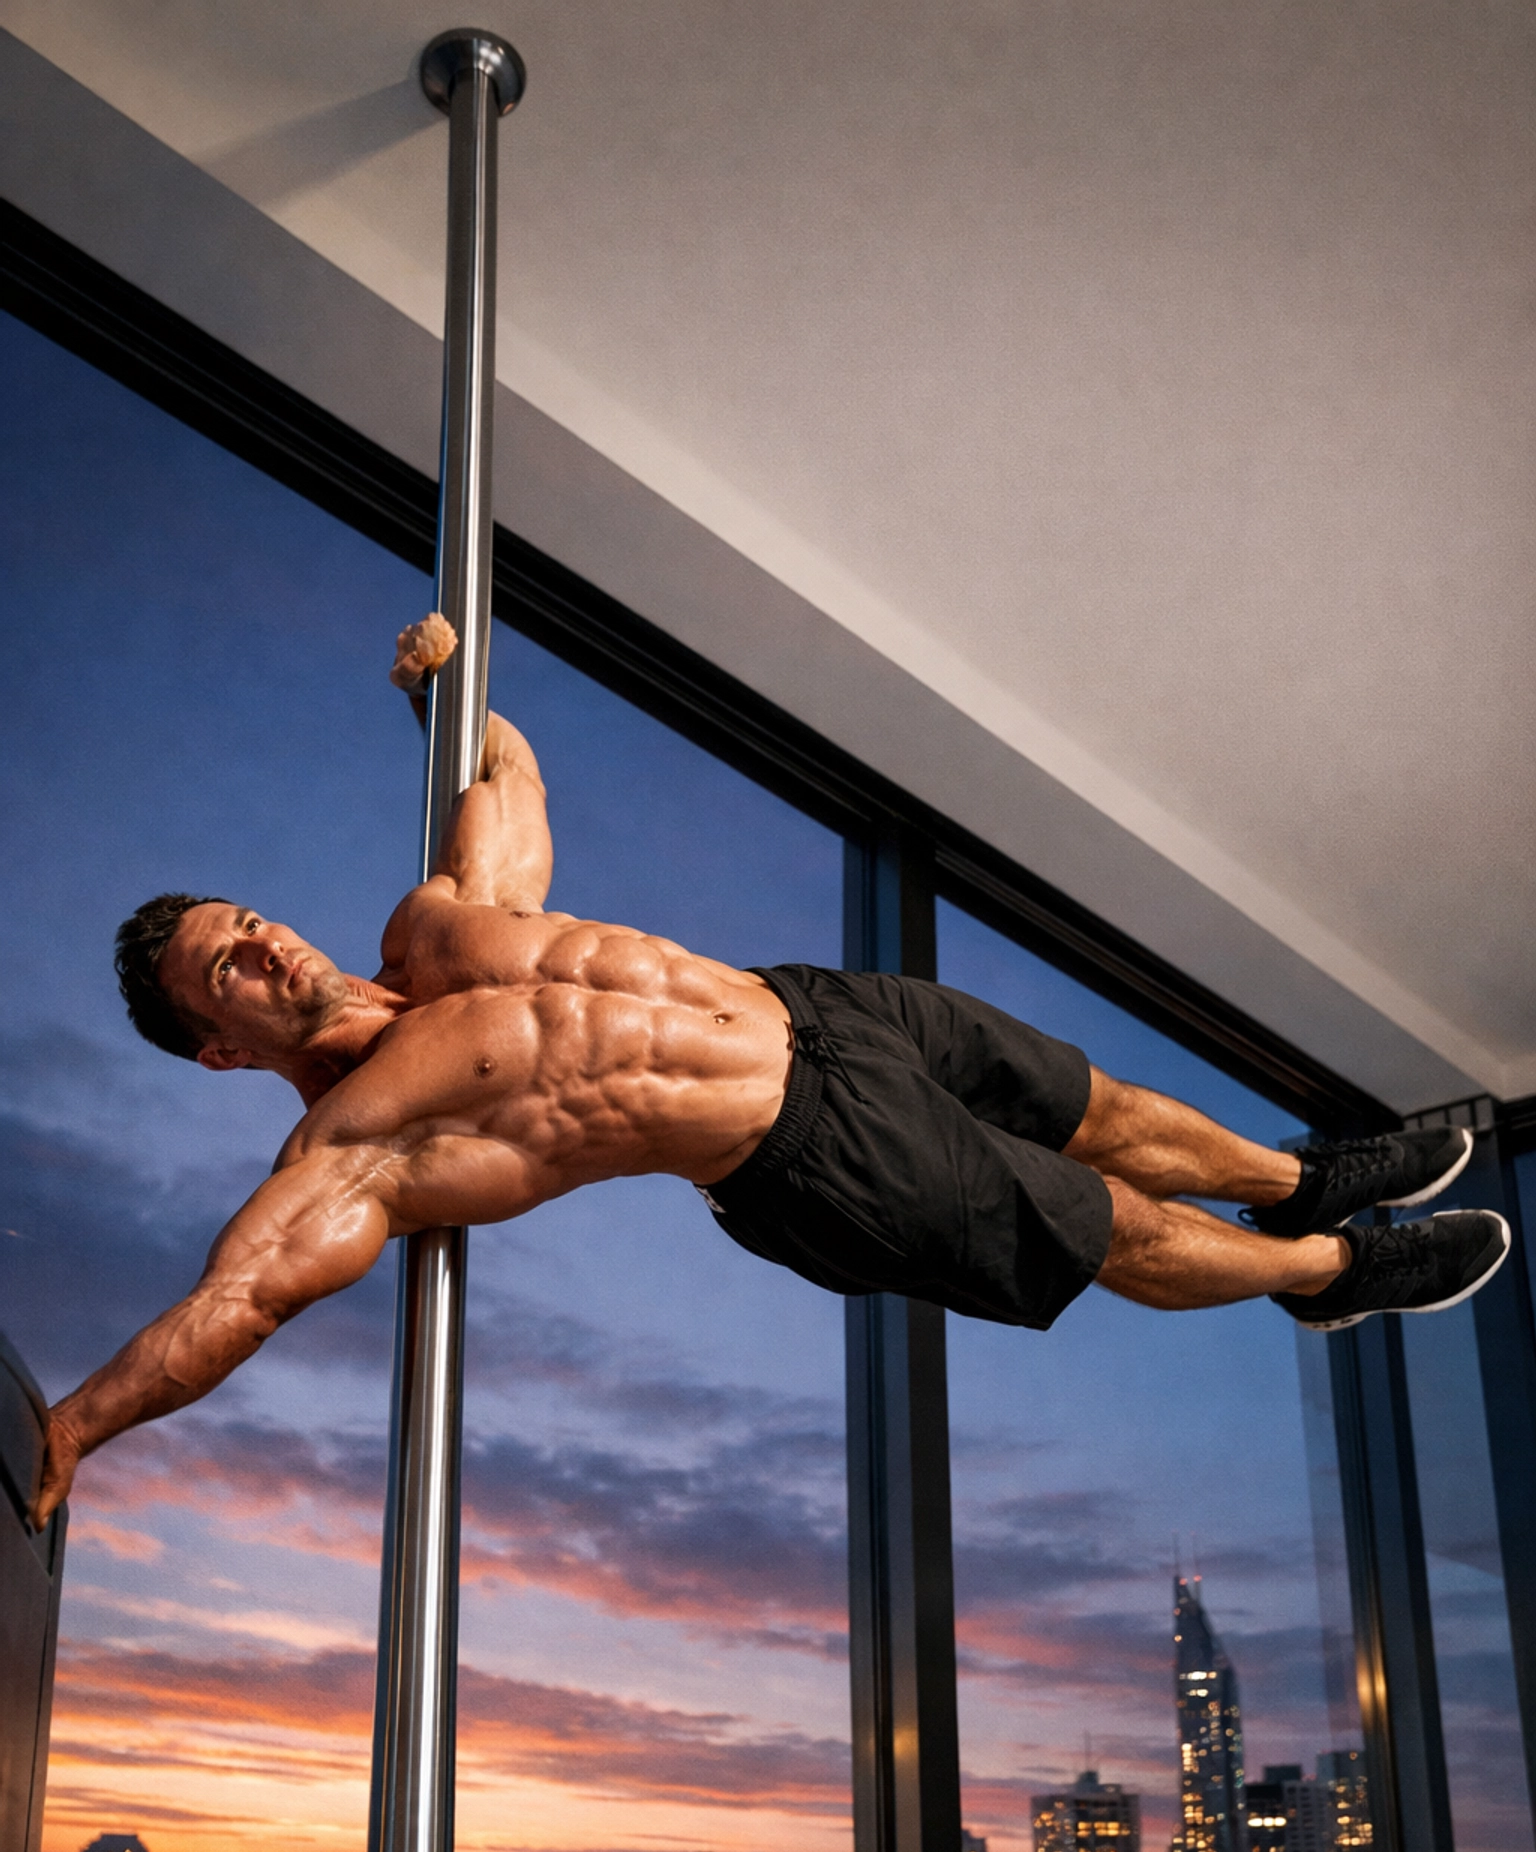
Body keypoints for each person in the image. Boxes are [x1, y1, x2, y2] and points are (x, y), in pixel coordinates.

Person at [32, 613, 1508, 1524]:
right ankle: (1327, 1270)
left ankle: (1306, 1174)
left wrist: (439, 693)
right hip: (804, 1153)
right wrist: (73, 1427)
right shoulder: (359, 1141)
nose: (265, 946)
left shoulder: (436, 925)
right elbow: (235, 1300)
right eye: (224, 968)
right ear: (222, 1045)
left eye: (249, 921)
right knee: (1102, 1223)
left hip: (818, 1007)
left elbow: (514, 781)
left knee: (1100, 1106)